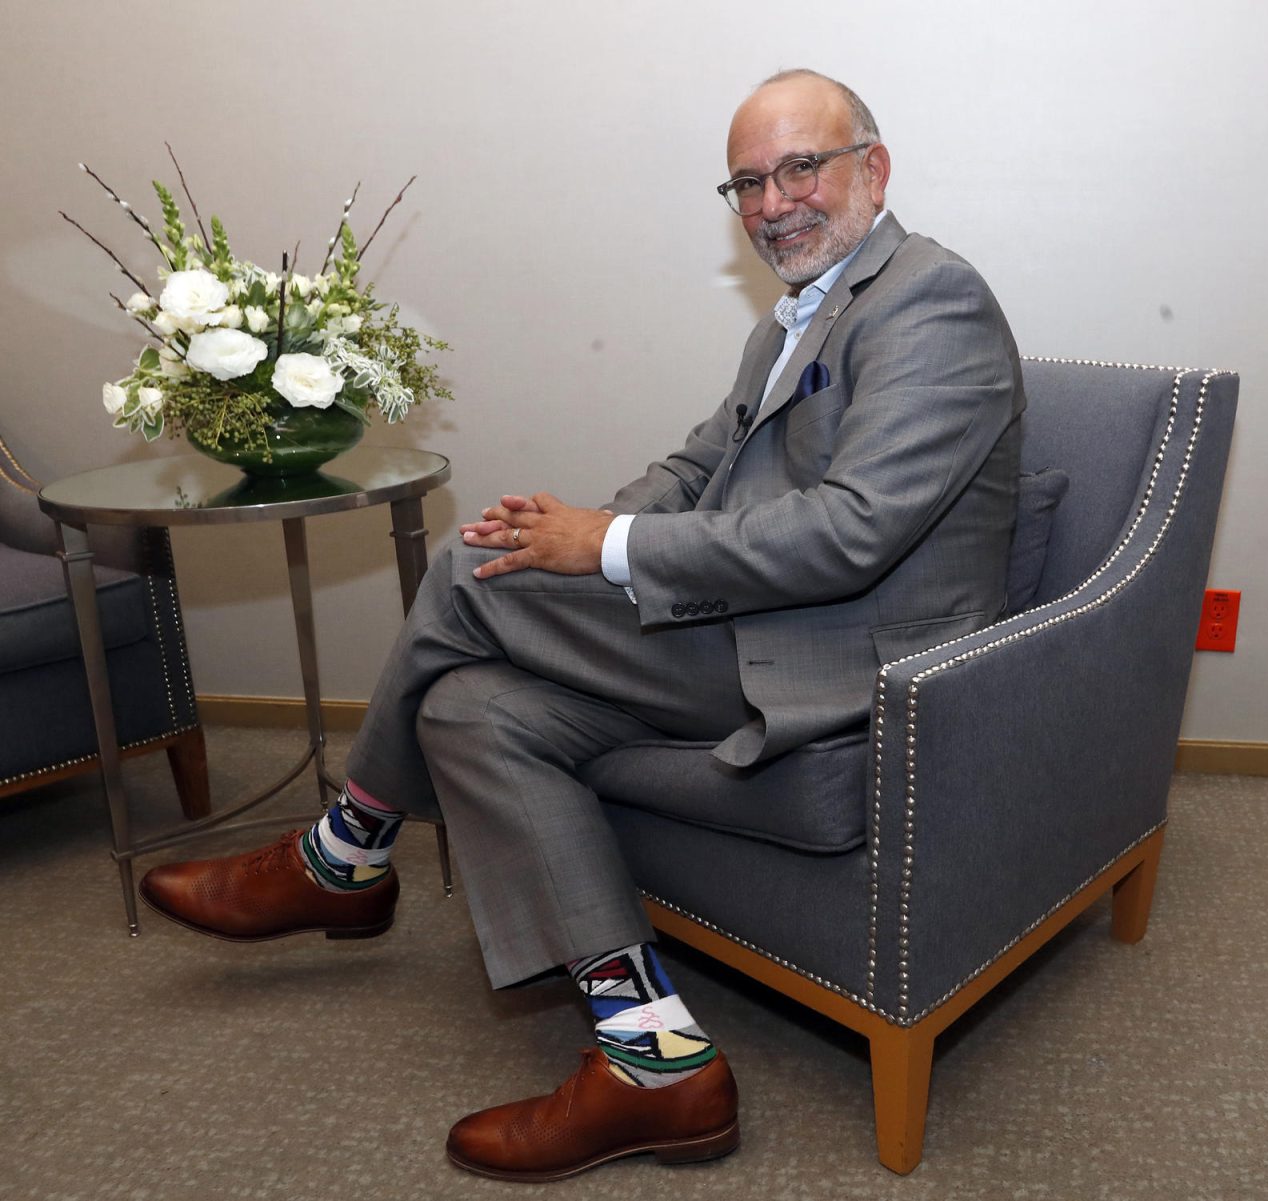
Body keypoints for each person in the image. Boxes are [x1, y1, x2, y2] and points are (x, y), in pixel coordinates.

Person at [138, 68, 1024, 1183]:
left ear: (873, 169)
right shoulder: (807, 309)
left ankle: (344, 854)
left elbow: (851, 535)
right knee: (469, 702)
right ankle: (656, 1057)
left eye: (802, 167)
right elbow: (703, 461)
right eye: (748, 181)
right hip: (764, 625)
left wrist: (598, 550)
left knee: (462, 577)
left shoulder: (931, 302)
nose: (773, 203)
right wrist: (577, 528)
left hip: (853, 657)